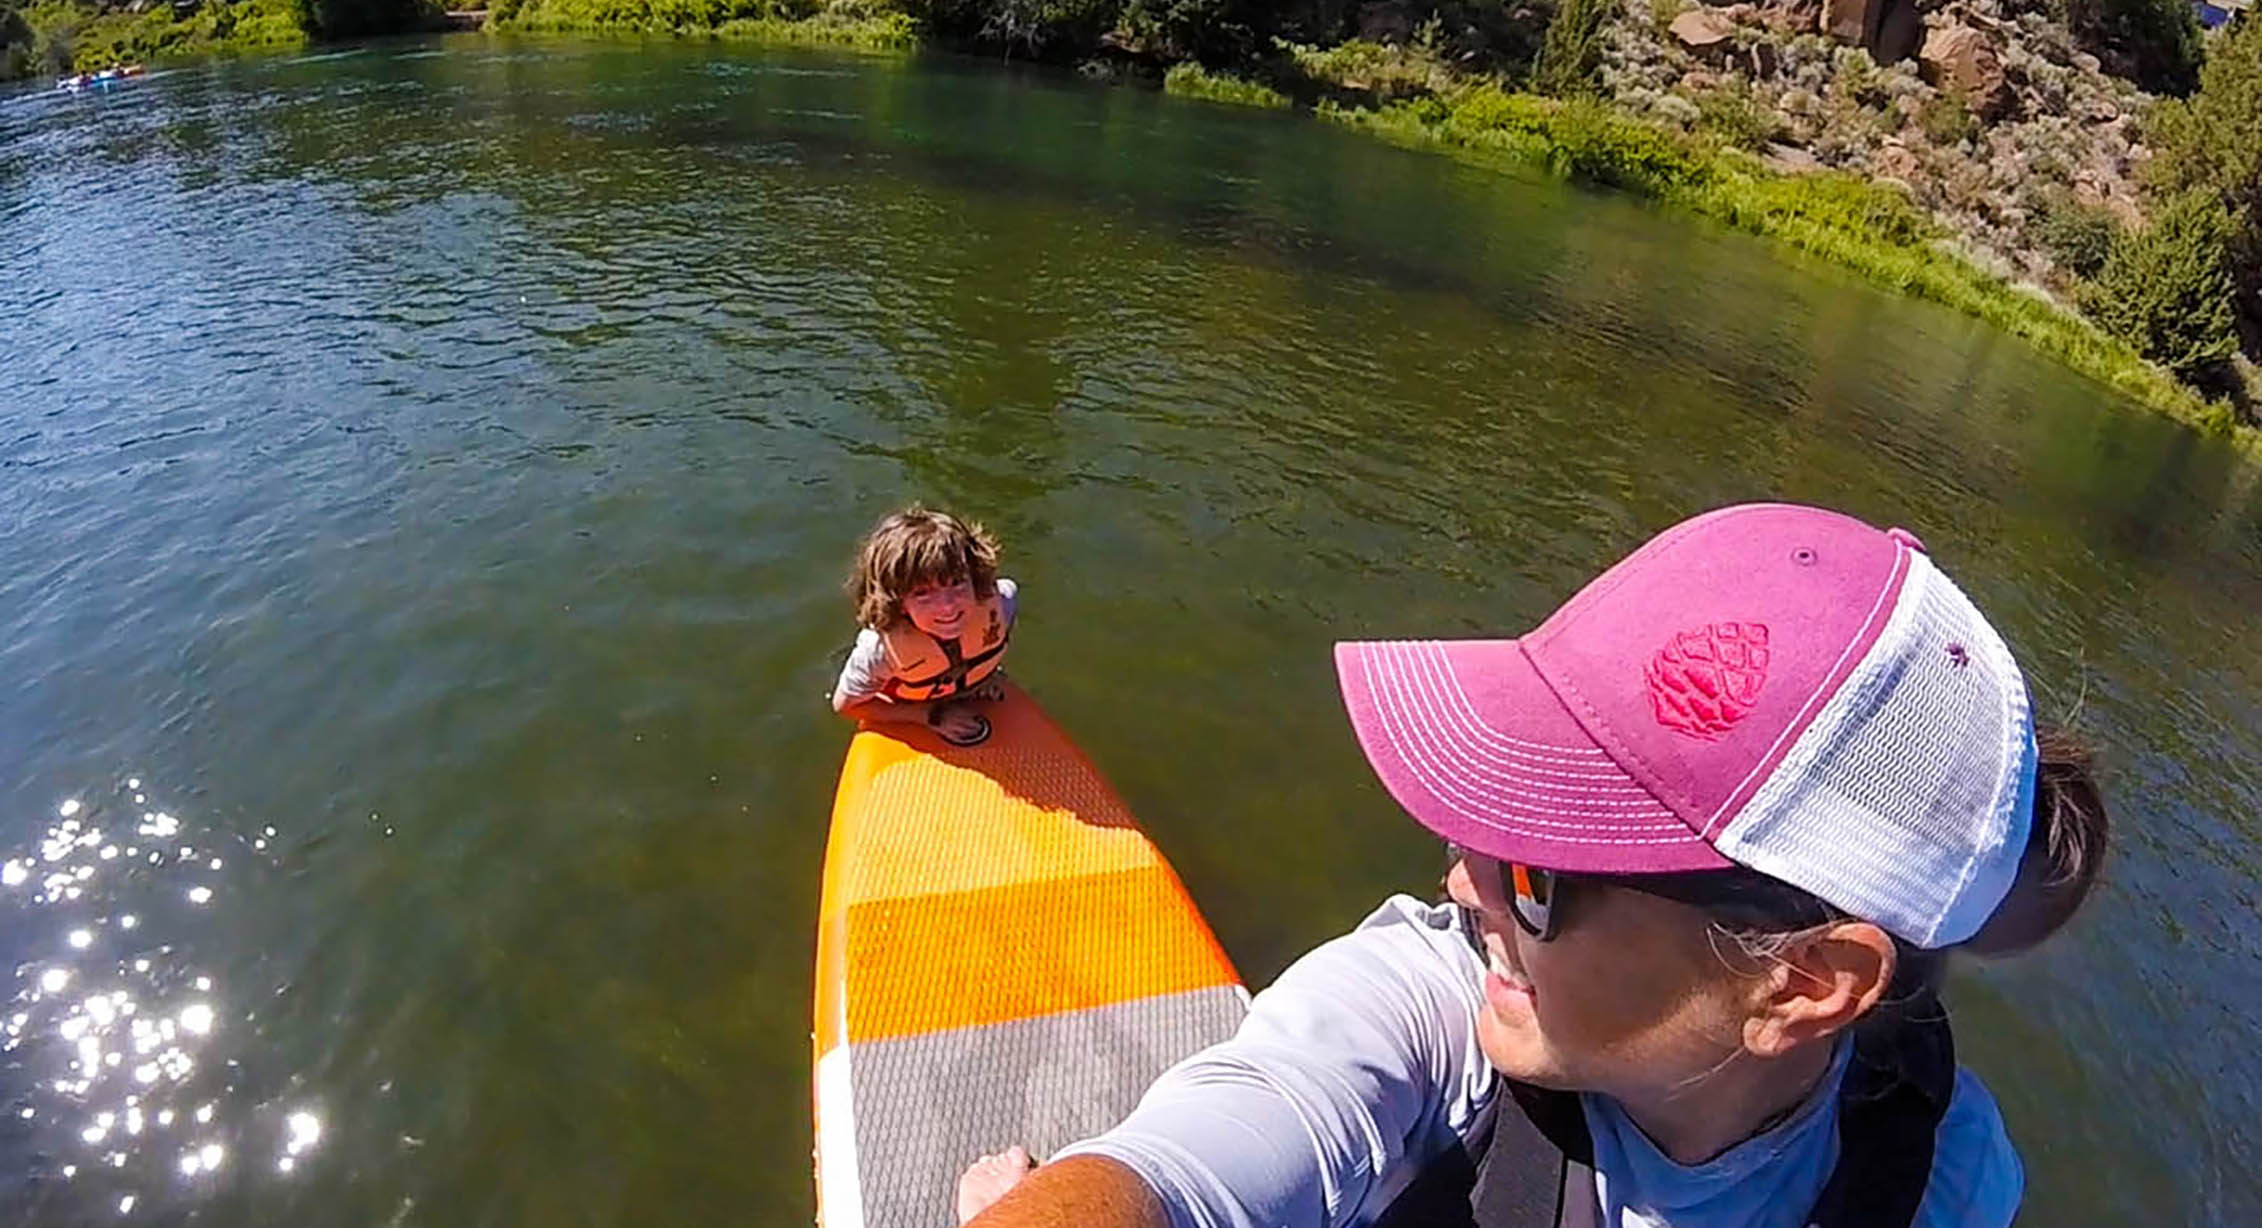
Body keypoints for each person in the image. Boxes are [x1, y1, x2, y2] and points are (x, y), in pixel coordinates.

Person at [957, 502, 2108, 1228]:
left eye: (1542, 873)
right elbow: (1213, 1152)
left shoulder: (1945, 1179)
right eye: (1486, 821)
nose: (1464, 882)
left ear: (1806, 981)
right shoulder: (1440, 1000)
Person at [831, 505, 1018, 747]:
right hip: (914, 702)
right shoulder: (878, 651)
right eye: (922, 593)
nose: (948, 606)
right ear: (897, 602)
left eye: (957, 582)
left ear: (976, 577)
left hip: (969, 682)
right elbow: (846, 705)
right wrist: (928, 716)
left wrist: (987, 677)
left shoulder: (1003, 600)